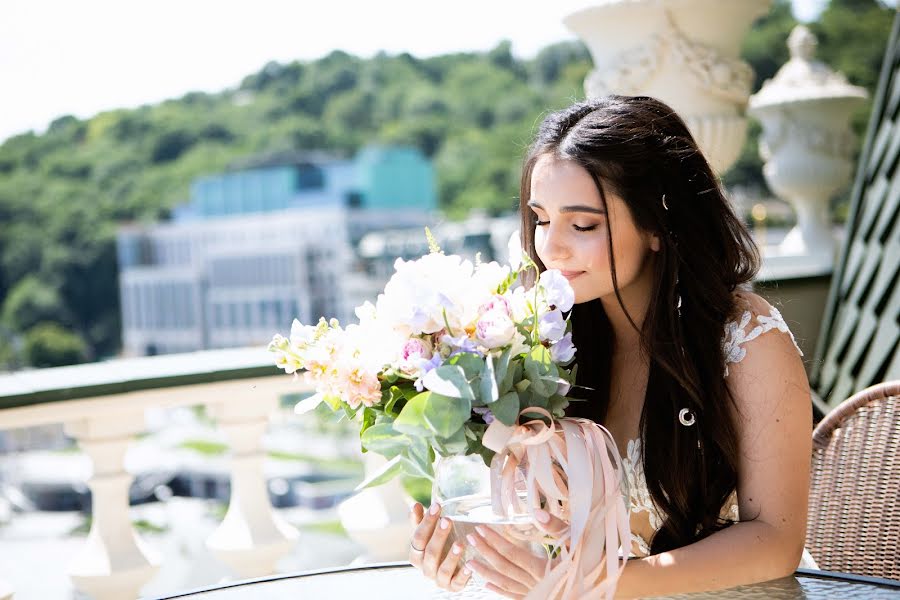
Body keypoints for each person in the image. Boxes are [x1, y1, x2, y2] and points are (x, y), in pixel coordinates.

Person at [407, 95, 813, 598]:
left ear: (657, 226)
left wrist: (593, 585)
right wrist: (469, 556)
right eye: (540, 218)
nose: (550, 248)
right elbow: (541, 539)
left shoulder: (745, 339)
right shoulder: (542, 344)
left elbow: (775, 541)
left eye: (582, 225)